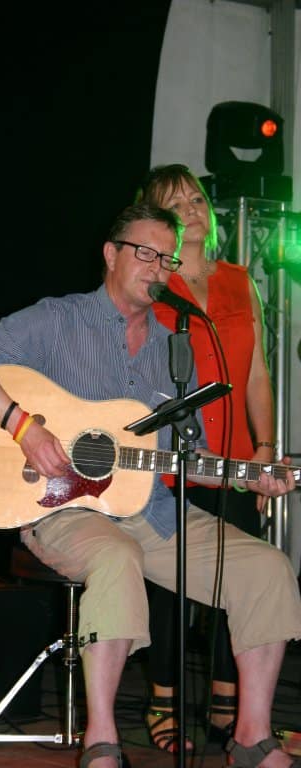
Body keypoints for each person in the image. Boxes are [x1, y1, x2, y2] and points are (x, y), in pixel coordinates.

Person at [0, 202, 301, 768]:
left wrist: (255, 474)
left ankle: (252, 737)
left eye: (168, 258)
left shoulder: (174, 350)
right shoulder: (59, 319)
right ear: (111, 254)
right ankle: (101, 741)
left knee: (267, 568)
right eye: (145, 253)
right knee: (116, 556)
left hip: (150, 511)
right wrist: (24, 427)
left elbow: (191, 458)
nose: (158, 267)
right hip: (60, 509)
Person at [136, 164, 276, 753]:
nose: (192, 209)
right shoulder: (148, 285)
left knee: (236, 581)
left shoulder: (240, 281)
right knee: (170, 587)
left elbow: (257, 373)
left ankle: (225, 703)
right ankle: (162, 700)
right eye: (175, 203)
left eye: (196, 199)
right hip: (170, 462)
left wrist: (264, 448)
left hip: (235, 460)